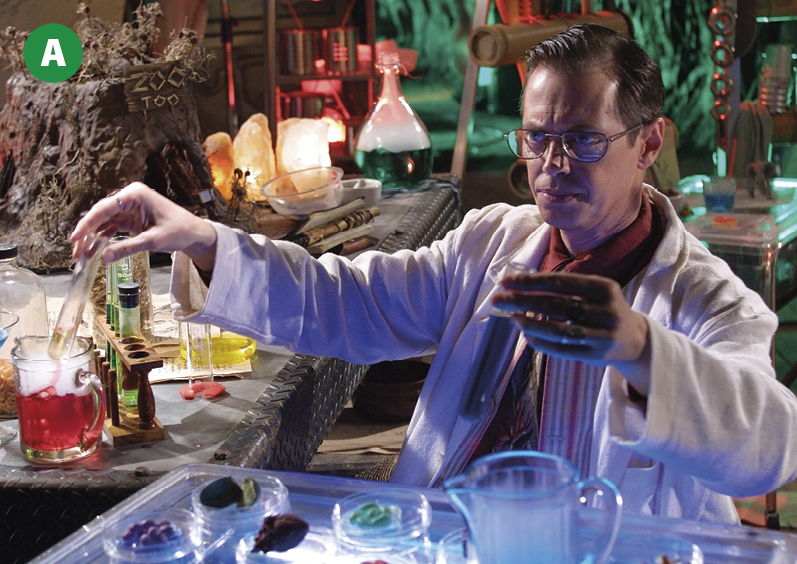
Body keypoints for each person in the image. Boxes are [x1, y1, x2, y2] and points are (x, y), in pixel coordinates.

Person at [71, 24, 797, 523]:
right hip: (450, 536)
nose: (551, 165)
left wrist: (641, 347)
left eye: (580, 140)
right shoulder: (493, 241)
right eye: (537, 138)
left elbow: (770, 450)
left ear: (649, 144)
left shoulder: (704, 297)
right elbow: (346, 301)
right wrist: (204, 240)